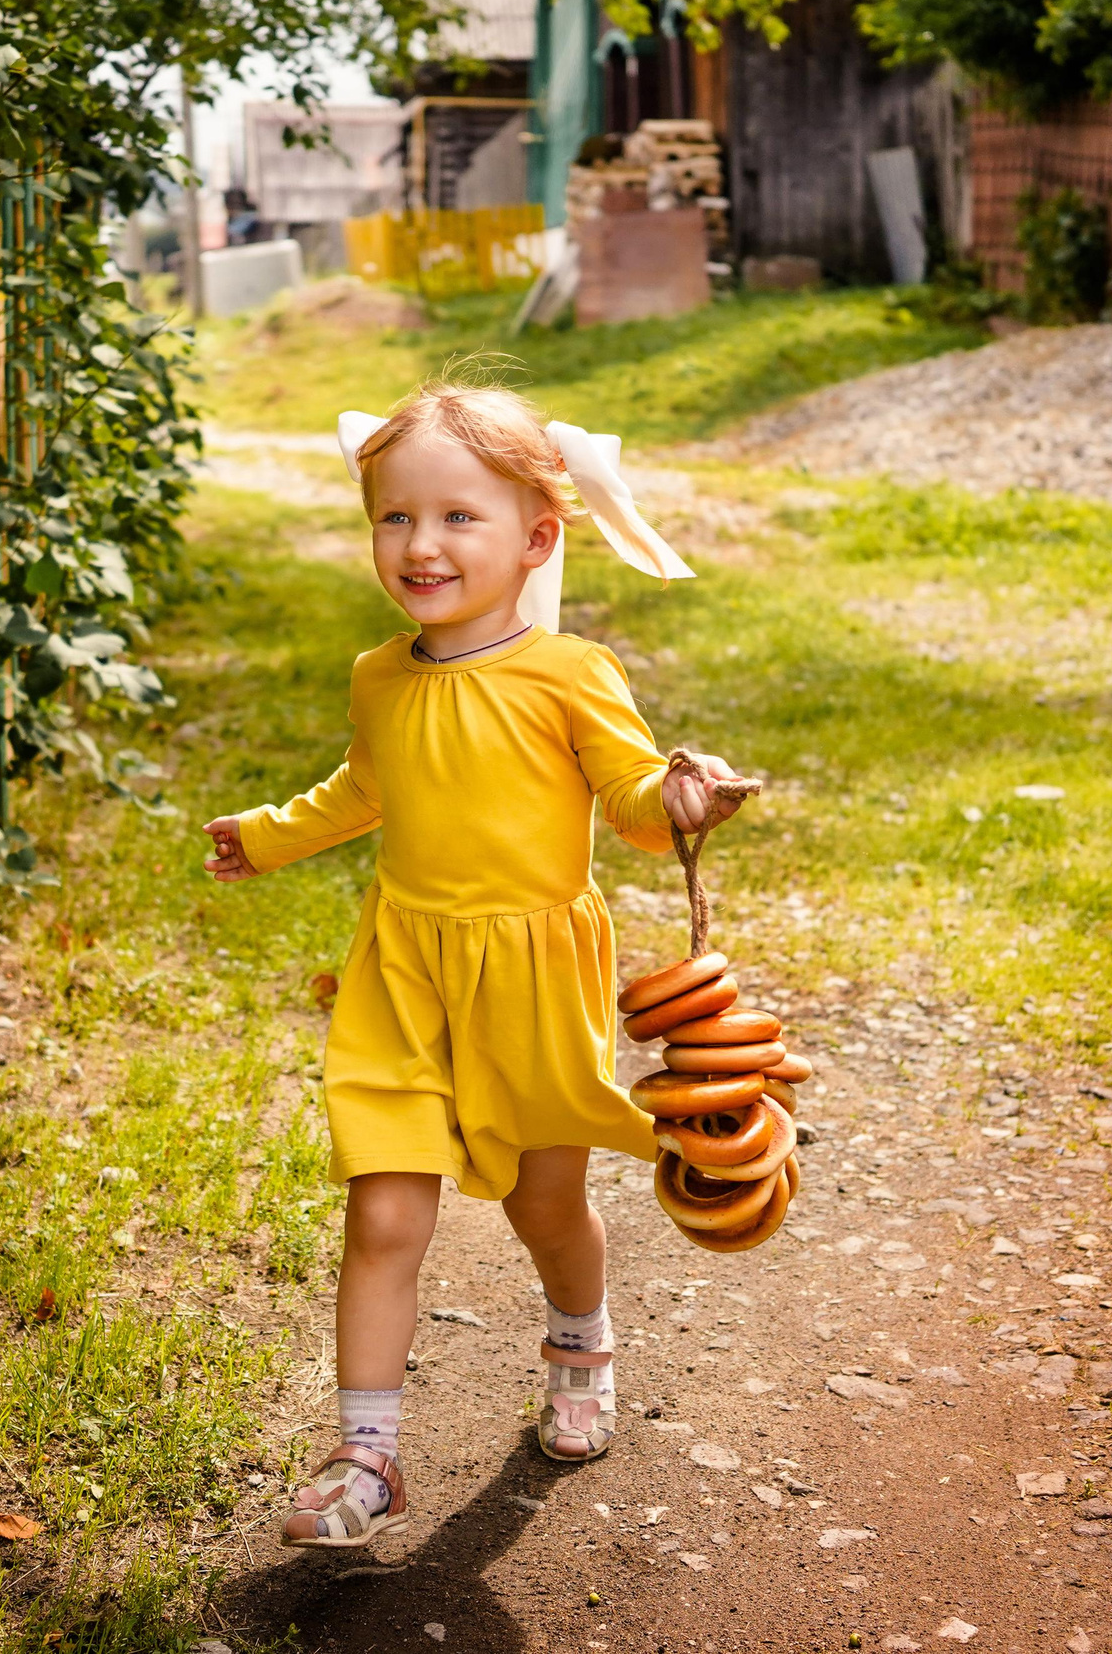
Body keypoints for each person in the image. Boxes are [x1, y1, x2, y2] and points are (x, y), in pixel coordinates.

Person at [202, 378, 750, 1550]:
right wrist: (269, 834)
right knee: (384, 1211)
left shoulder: (568, 673)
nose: (421, 543)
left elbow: (633, 802)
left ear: (535, 537)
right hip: (405, 973)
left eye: (458, 517)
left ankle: (578, 1340)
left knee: (545, 1205)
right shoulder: (378, 675)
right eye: (395, 517)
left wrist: (682, 794)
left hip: (534, 978)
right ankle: (366, 1455)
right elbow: (367, 787)